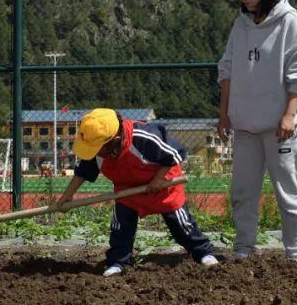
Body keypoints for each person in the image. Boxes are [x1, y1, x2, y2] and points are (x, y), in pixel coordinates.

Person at [216, 0, 297, 261]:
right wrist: (224, 114)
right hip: (244, 126)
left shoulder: (290, 22)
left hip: (279, 128)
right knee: (243, 194)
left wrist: (289, 115)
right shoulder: (240, 25)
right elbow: (227, 71)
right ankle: (244, 250)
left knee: (288, 194)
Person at [54, 108, 219, 276]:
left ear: (115, 140)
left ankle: (204, 252)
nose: (94, 153)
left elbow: (176, 153)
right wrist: (67, 196)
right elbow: (83, 171)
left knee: (181, 225)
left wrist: (157, 180)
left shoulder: (144, 138)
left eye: (98, 149)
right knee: (120, 228)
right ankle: (119, 262)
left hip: (162, 186)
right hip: (127, 191)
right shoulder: (97, 148)